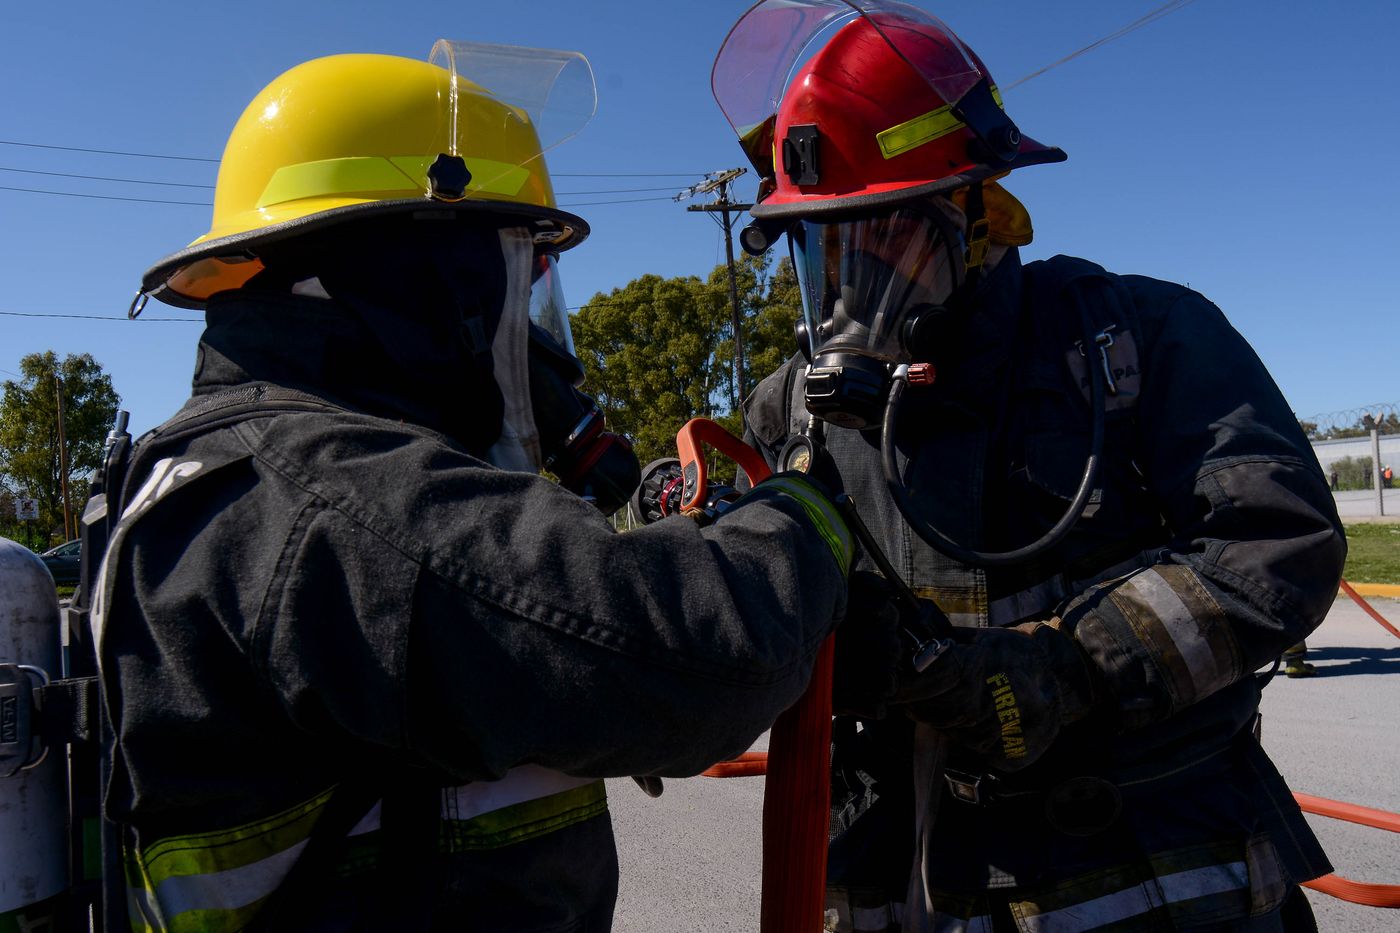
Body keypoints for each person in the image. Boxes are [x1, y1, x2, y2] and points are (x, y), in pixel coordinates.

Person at [98, 44, 859, 932]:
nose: (535, 344)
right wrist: (805, 512)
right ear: (420, 275)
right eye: (517, 278)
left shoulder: (226, 469)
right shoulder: (331, 497)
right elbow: (702, 654)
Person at [711, 3, 1346, 930]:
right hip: (898, 884)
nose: (850, 285)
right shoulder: (788, 412)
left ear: (979, 216)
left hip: (1143, 875)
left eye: (884, 233)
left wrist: (1065, 668)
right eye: (824, 247)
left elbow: (1279, 544)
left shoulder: (1135, 343)